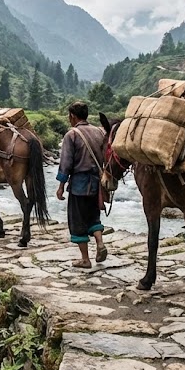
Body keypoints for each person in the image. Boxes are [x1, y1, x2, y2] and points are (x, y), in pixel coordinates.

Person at [55, 101, 108, 268]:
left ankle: (85, 260)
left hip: (79, 185)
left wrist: (61, 185)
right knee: (93, 216)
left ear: (72, 116)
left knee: (78, 221)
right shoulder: (99, 132)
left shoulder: (72, 135)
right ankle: (100, 243)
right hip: (97, 184)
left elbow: (66, 163)